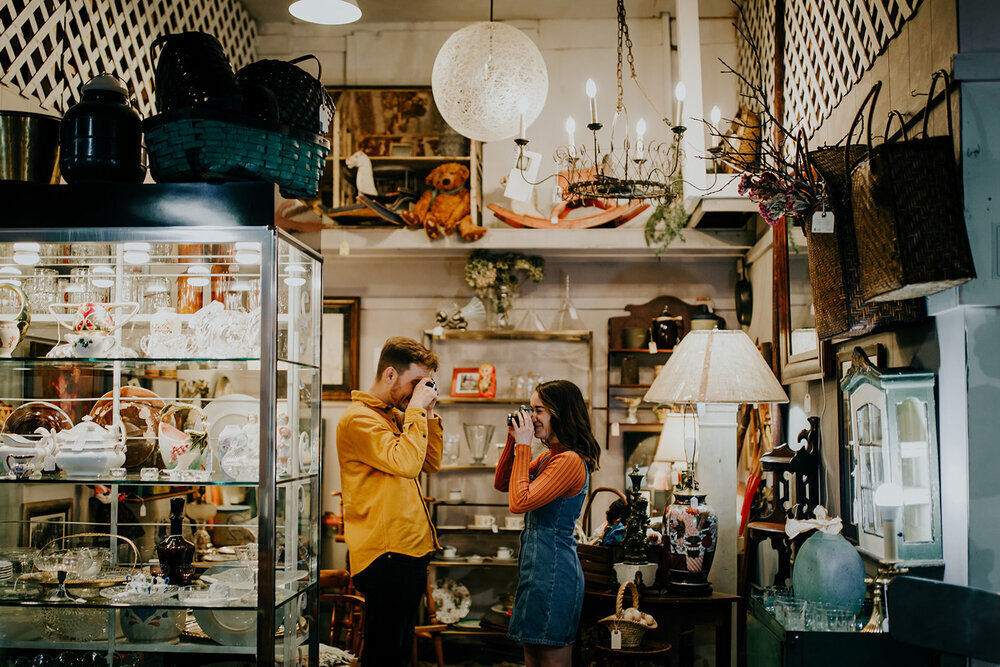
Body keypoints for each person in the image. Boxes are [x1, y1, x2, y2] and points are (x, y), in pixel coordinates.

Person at [337, 336, 442, 665]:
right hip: (385, 553)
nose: (416, 391)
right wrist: (414, 411)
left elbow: (430, 462)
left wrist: (427, 413)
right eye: (414, 382)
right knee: (384, 653)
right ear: (391, 375)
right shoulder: (359, 419)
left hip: (407, 550)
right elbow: (407, 463)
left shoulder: (395, 415)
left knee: (397, 652)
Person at [494, 379, 601, 667]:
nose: (531, 416)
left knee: (552, 658)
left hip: (555, 573)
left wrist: (525, 446)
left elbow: (519, 502)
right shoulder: (547, 458)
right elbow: (503, 483)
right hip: (535, 571)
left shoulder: (569, 461)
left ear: (560, 413)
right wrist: (513, 440)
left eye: (538, 410)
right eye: (529, 409)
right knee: (533, 658)